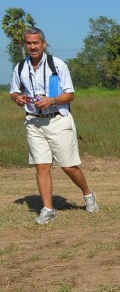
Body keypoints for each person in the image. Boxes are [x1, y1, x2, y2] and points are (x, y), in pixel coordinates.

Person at [9, 27, 98, 225]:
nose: (32, 47)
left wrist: (53, 100)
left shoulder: (57, 65)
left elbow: (70, 95)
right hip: (33, 121)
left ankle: (88, 194)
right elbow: (14, 92)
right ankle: (48, 209)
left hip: (57, 119)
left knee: (68, 166)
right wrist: (18, 98)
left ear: (43, 44)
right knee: (41, 166)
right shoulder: (20, 67)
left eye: (35, 43)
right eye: (28, 43)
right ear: (24, 45)